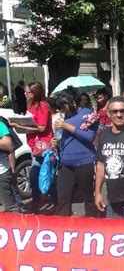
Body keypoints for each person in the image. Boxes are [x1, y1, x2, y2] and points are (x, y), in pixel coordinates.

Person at [9, 82, 53, 214]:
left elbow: (41, 128)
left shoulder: (43, 106)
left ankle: (44, 204)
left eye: (28, 92)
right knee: (38, 177)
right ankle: (40, 204)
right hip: (34, 145)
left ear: (35, 92)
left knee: (40, 176)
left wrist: (21, 126)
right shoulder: (32, 106)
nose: (25, 94)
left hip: (43, 145)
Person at [53, 94, 99, 217]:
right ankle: (62, 226)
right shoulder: (65, 116)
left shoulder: (88, 113)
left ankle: (92, 221)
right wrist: (57, 142)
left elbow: (89, 137)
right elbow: (66, 138)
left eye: (63, 107)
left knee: (88, 196)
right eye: (60, 109)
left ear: (73, 102)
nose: (62, 111)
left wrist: (66, 126)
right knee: (63, 196)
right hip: (66, 162)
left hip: (84, 160)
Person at [0, 118, 19, 212]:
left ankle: (19, 224)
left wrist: (13, 170)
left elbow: (8, 145)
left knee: (11, 206)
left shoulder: (0, 124)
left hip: (1, 172)